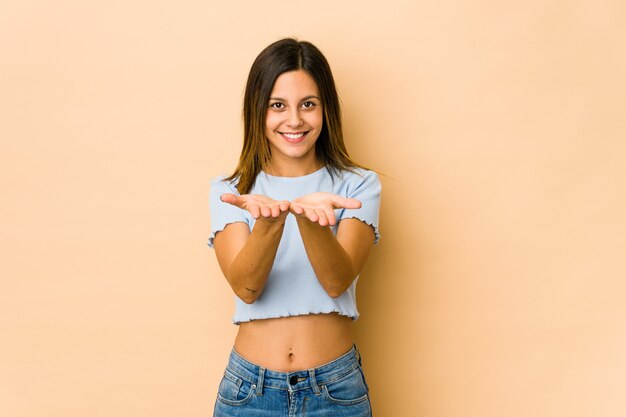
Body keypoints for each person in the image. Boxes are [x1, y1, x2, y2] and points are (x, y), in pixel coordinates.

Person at [207, 38, 381, 417]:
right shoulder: (232, 190)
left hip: (336, 390)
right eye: (277, 105)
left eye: (308, 104)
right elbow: (246, 288)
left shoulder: (358, 186)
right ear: (258, 112)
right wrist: (270, 224)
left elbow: (336, 282)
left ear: (326, 109)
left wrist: (309, 220)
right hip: (248, 393)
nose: (295, 120)